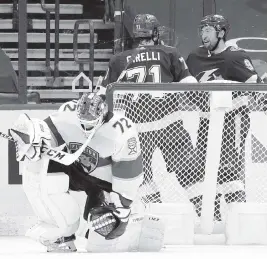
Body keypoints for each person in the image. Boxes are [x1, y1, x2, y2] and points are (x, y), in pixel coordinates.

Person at [9, 90, 165, 253]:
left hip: (105, 184)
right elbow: (47, 135)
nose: (85, 128)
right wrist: (34, 141)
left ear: (102, 114)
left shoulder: (121, 131)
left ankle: (139, 229)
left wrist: (122, 207)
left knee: (100, 238)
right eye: (82, 123)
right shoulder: (67, 113)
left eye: (90, 124)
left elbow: (129, 175)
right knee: (40, 169)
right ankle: (63, 236)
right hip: (76, 171)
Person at [186, 14, 263, 220]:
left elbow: (256, 86)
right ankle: (212, 216)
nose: (203, 35)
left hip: (233, 121)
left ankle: (239, 219)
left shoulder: (236, 57)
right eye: (202, 30)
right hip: (206, 121)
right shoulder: (194, 57)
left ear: (220, 33)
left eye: (208, 30)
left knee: (227, 169)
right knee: (197, 171)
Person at [102, 13, 197, 85]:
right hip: (165, 110)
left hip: (133, 110)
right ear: (155, 34)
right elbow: (189, 82)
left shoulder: (118, 59)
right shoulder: (170, 53)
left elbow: (103, 92)